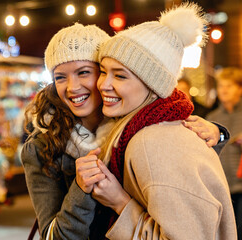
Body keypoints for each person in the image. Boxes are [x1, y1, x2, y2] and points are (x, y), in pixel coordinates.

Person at [22, 23, 229, 240]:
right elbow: (51, 237)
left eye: (84, 72)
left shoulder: (135, 125)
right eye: (60, 77)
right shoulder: (42, 147)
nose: (72, 87)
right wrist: (80, 190)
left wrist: (215, 134)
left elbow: (185, 178)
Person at [76, 3, 237, 239]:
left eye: (120, 75)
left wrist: (120, 202)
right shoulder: (144, 127)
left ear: (153, 86)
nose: (104, 84)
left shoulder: (153, 141)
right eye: (103, 71)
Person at [206, 67, 242, 239]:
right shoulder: (211, 118)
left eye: (229, 86)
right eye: (221, 86)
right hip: (220, 188)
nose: (224, 90)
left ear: (240, 89)